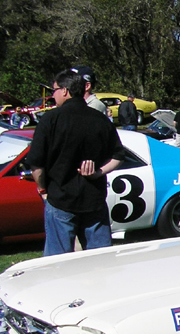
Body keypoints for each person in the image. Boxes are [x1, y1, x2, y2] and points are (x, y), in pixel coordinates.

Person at [27, 69, 125, 256]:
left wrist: (42, 190)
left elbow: (36, 165)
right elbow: (118, 156)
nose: (52, 96)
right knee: (99, 262)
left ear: (65, 91)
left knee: (57, 264)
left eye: (53, 90)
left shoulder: (50, 120)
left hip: (60, 199)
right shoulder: (101, 120)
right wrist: (98, 172)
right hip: (94, 200)